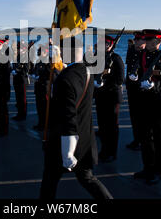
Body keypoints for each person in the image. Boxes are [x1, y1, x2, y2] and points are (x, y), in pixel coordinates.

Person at [40, 35, 113, 199]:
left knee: (49, 180)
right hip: (85, 139)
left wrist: (68, 151)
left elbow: (68, 115)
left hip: (64, 141)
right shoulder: (87, 71)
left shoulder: (65, 79)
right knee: (87, 179)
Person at [132, 30, 161, 185]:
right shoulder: (142, 56)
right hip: (144, 102)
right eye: (146, 39)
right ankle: (147, 167)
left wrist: (153, 85)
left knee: (158, 139)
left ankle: (157, 171)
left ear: (158, 41)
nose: (146, 41)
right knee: (145, 137)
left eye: (149, 39)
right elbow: (139, 73)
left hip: (157, 103)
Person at [94, 35, 125, 162]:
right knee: (102, 125)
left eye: (106, 44)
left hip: (112, 96)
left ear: (110, 45)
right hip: (100, 95)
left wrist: (105, 83)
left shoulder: (116, 58)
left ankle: (112, 152)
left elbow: (120, 79)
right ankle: (104, 150)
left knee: (111, 126)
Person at [125, 31, 146, 151]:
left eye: (140, 40)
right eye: (136, 40)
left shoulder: (147, 53)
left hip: (142, 89)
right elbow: (129, 67)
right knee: (134, 116)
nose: (137, 42)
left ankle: (144, 140)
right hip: (132, 88)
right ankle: (136, 139)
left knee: (143, 117)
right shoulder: (132, 50)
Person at [12, 42, 29, 121]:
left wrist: (17, 71)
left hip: (22, 80)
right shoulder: (17, 57)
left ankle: (23, 114)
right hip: (16, 79)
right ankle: (19, 113)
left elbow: (26, 69)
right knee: (18, 98)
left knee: (22, 99)